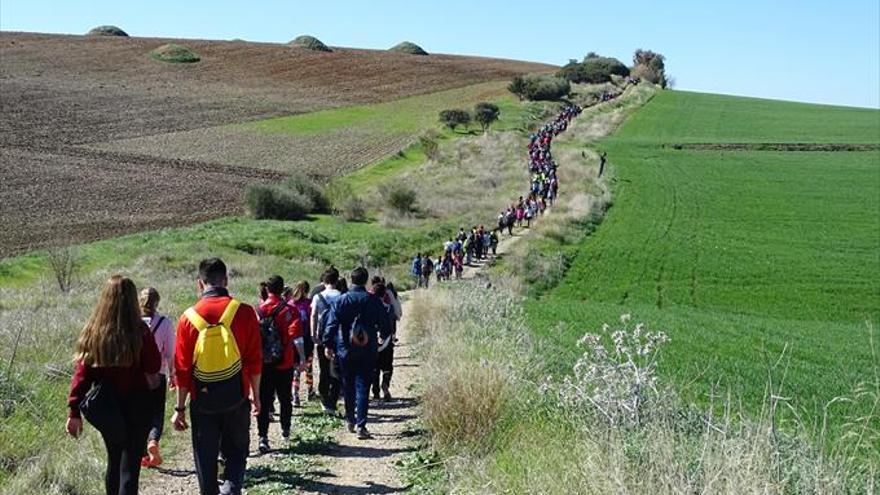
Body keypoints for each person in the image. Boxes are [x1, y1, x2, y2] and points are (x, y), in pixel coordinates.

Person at [172, 258, 262, 495]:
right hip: (237, 396)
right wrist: (257, 395)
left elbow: (182, 369)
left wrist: (179, 409)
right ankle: (231, 489)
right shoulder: (244, 312)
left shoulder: (187, 319)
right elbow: (254, 360)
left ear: (200, 284)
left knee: (205, 455)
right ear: (226, 281)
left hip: (203, 401)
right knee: (236, 451)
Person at [67, 275, 161, 495]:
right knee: (130, 466)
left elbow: (82, 375)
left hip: (107, 406)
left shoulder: (95, 331)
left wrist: (73, 411)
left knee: (114, 458)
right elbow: (154, 365)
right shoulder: (140, 331)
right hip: (138, 404)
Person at [323, 267, 393, 439]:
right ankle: (362, 425)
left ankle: (350, 419)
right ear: (366, 280)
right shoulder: (373, 300)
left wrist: (328, 344)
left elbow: (331, 325)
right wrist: (382, 337)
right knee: (363, 386)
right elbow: (385, 324)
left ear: (351, 279)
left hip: (345, 348)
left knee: (348, 384)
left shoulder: (341, 300)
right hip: (367, 349)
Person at [256, 276, 304, 453]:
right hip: (285, 362)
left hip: (263, 363)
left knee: (264, 399)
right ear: (282, 288)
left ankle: (263, 437)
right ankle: (285, 429)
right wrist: (300, 357)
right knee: (285, 398)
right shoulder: (290, 310)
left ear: (267, 290)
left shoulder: (258, 310)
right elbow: (297, 336)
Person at [139, 287, 175, 469]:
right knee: (157, 413)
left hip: (136, 377)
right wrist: (172, 374)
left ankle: (143, 456)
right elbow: (170, 353)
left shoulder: (133, 323)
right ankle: (153, 441)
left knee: (140, 414)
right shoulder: (165, 323)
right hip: (158, 375)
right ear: (157, 302)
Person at [311, 268, 343, 416]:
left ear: (324, 281)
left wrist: (314, 335)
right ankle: (333, 400)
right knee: (336, 370)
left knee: (324, 369)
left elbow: (313, 316)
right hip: (338, 338)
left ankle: (324, 399)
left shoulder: (318, 296)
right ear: (337, 281)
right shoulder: (342, 296)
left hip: (322, 338)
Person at [371, 278, 400, 401]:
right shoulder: (389, 308)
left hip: (373, 342)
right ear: (384, 295)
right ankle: (386, 384)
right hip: (386, 341)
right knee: (388, 366)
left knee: (374, 368)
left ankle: (376, 391)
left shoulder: (369, 308)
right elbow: (393, 325)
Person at [288, 282, 316, 407]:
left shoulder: (289, 304)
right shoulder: (309, 304)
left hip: (292, 340)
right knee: (308, 366)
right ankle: (310, 390)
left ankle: (295, 394)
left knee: (296, 368)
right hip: (307, 340)